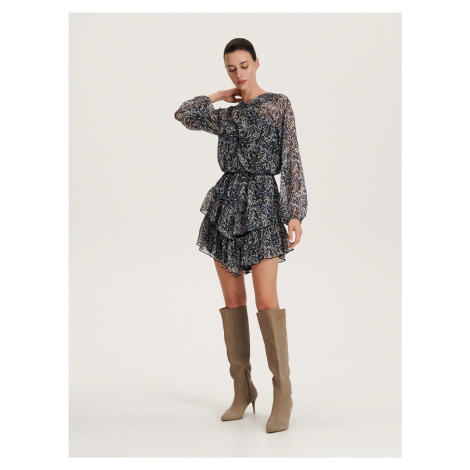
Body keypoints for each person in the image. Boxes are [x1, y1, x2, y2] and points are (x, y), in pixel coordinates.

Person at [174, 38, 308, 433]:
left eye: (244, 65)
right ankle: (243, 389)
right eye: (231, 68)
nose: (239, 73)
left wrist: (295, 212)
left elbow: (292, 158)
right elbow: (184, 113)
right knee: (233, 300)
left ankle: (282, 393)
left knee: (266, 299)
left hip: (264, 206)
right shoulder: (227, 116)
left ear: (257, 63)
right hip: (226, 207)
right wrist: (219, 95)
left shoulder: (278, 105)